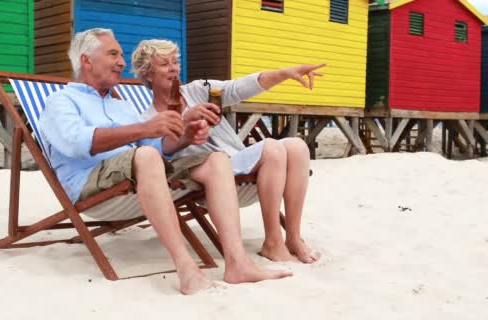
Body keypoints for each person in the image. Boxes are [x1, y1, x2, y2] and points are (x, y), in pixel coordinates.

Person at [38, 28, 291, 295]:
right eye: (113, 54)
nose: (122, 62)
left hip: (138, 171)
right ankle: (186, 268)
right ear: (86, 60)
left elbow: (154, 147)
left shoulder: (122, 106)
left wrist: (185, 137)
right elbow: (77, 143)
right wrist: (145, 129)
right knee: (145, 156)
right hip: (92, 183)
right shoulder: (61, 101)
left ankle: (238, 263)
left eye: (122, 55)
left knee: (216, 159)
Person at [131, 39, 323, 264]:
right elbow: (160, 155)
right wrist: (186, 121)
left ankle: (292, 237)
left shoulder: (197, 90)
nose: (173, 68)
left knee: (298, 147)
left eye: (175, 62)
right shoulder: (147, 119)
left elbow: (238, 87)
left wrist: (284, 73)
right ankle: (272, 241)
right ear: (148, 74)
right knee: (271, 148)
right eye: (164, 64)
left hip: (235, 158)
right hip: (208, 173)